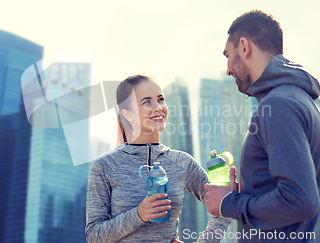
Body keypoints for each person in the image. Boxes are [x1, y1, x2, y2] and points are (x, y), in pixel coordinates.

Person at [204, 10, 320, 242]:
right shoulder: (303, 98)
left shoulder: (279, 104)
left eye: (228, 55)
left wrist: (228, 203)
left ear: (244, 46)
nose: (228, 69)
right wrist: (246, 191)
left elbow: (300, 200)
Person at [85, 74, 232, 243]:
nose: (158, 107)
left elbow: (225, 204)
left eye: (161, 99)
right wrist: (139, 214)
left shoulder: (182, 162)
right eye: (147, 102)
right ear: (128, 114)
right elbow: (93, 235)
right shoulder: (105, 165)